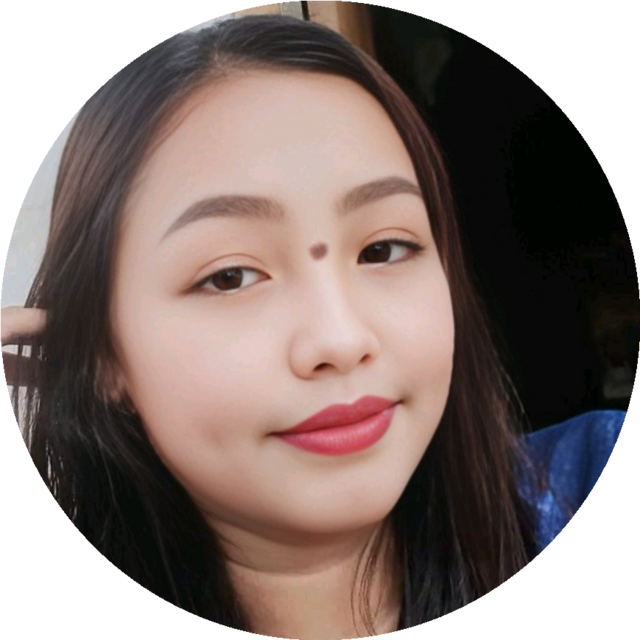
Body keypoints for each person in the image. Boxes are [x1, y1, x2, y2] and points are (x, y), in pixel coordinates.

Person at [2, 15, 626, 638]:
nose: (341, 340)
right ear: (104, 355)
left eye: (383, 249)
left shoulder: (584, 479)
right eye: (230, 277)